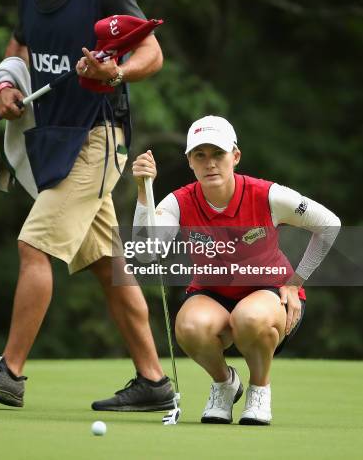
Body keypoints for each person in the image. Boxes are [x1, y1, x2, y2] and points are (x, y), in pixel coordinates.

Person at [0, 0, 175, 412]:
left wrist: (114, 70)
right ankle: (154, 382)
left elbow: (153, 52)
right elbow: (20, 45)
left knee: (34, 245)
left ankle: (10, 372)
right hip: (54, 137)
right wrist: (7, 86)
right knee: (105, 263)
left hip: (98, 137)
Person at [132, 115, 340, 425]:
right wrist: (142, 191)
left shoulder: (268, 195)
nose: (210, 163)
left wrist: (296, 283)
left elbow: (330, 225)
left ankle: (259, 388)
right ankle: (225, 384)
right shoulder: (179, 202)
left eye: (218, 154)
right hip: (212, 293)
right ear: (189, 161)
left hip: (269, 295)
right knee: (189, 327)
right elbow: (148, 254)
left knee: (249, 317)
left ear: (235, 156)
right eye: (200, 155)